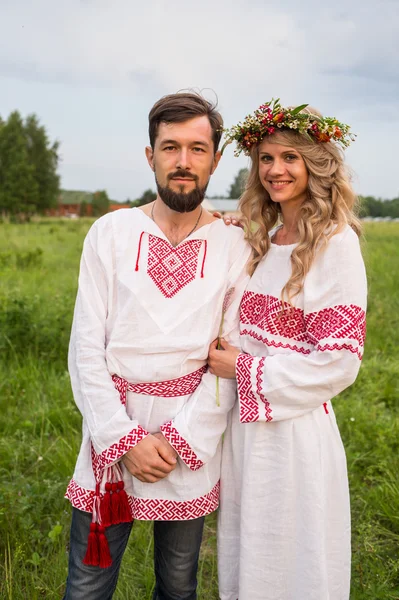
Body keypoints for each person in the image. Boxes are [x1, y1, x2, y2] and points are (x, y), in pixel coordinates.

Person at [63, 91, 251, 600]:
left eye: (197, 148)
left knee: (178, 582)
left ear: (215, 158)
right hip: (112, 432)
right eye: (170, 147)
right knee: (87, 583)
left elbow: (228, 358)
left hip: (187, 440)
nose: (183, 162)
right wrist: (122, 440)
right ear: (151, 156)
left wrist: (174, 441)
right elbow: (85, 349)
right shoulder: (111, 232)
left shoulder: (237, 244)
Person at [208, 99, 367, 600]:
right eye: (266, 159)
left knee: (291, 561)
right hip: (245, 432)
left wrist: (244, 368)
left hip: (293, 434)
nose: (275, 170)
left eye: (289, 158)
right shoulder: (268, 240)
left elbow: (338, 363)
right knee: (250, 554)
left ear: (315, 164)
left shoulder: (335, 244)